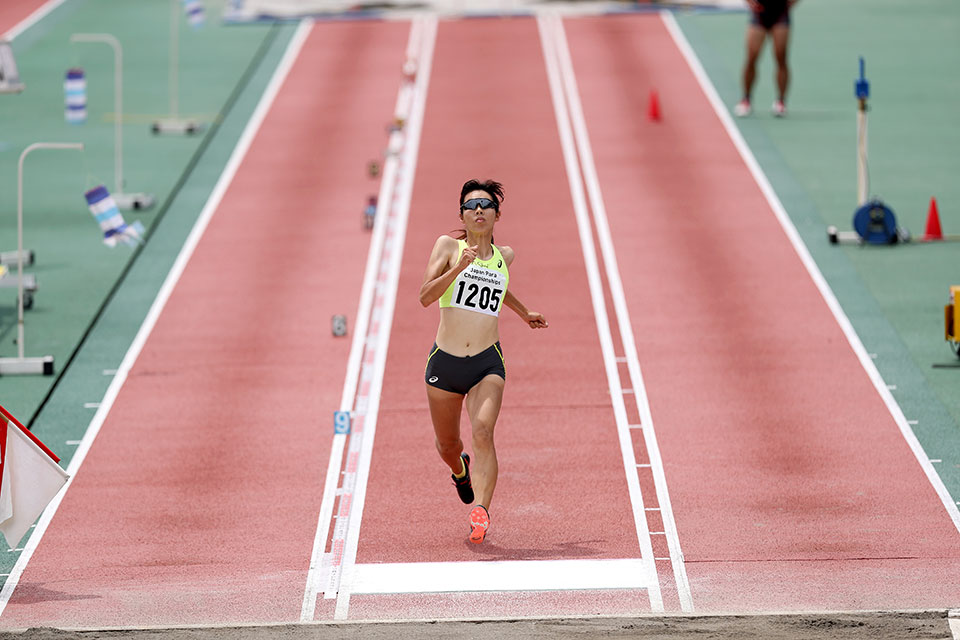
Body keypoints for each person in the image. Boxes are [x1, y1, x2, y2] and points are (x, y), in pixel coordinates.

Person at [418, 179, 548, 544]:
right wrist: (458, 267)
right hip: (445, 363)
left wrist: (524, 313)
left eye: (486, 204)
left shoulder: (504, 255)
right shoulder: (448, 247)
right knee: (448, 445)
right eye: (471, 204)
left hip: (486, 363)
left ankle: (481, 509)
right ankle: (460, 470)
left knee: (483, 432)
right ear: (461, 213)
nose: (478, 210)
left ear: (496, 214)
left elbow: (497, 285)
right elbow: (425, 297)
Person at [734, 0, 798, 118]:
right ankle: (746, 99)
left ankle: (781, 101)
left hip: (780, 15)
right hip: (759, 14)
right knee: (751, 58)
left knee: (781, 57)